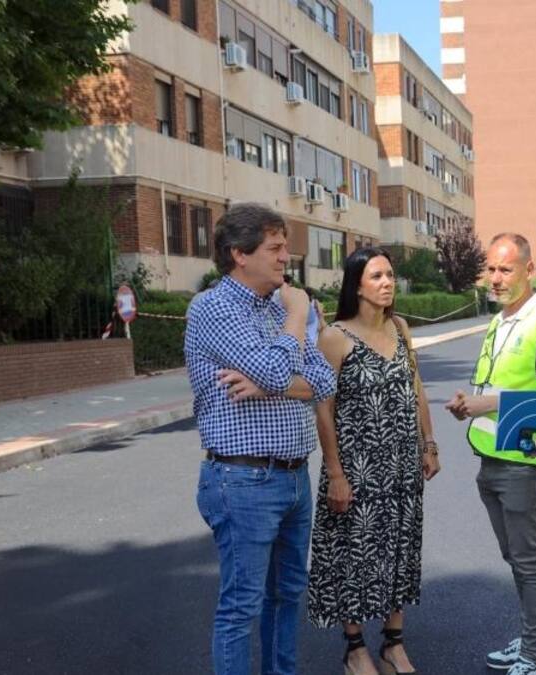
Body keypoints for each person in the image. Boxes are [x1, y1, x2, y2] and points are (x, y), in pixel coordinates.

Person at [184, 203, 337, 675]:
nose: (285, 257)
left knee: (288, 595)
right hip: (243, 479)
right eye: (274, 248)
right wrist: (295, 318)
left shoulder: (274, 306)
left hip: (294, 479)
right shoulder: (213, 308)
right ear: (239, 254)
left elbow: (324, 382)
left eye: (284, 247)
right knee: (242, 606)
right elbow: (277, 367)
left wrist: (272, 380)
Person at [308, 247, 441, 675]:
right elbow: (322, 408)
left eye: (389, 275)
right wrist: (334, 473)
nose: (387, 283)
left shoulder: (401, 327)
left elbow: (415, 386)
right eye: (377, 276)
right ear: (357, 285)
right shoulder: (335, 337)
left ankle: (394, 644)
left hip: (402, 465)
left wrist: (430, 443)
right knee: (353, 555)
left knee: (400, 550)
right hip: (356, 469)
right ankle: (354, 647)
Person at [444, 234, 536, 675]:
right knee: (516, 557)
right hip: (492, 458)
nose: (496, 279)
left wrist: (488, 405)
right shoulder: (501, 320)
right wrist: (470, 406)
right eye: (492, 270)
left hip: (527, 461)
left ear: (528, 270)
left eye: (506, 270)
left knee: (530, 560)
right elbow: (497, 385)